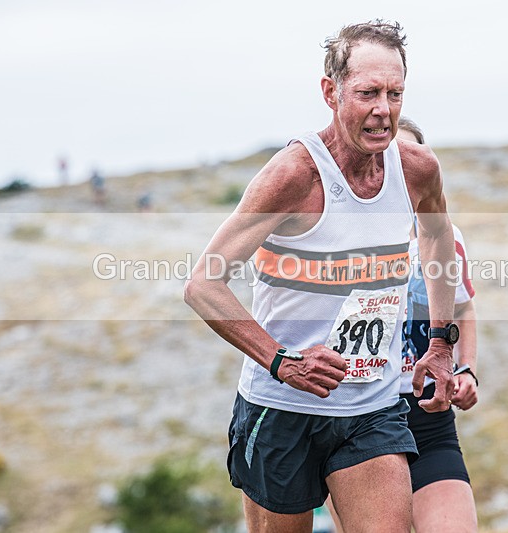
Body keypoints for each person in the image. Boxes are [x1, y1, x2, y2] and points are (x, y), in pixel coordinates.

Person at [184, 20, 458, 533]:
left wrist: (441, 343)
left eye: (395, 93)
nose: (383, 109)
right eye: (367, 93)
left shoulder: (417, 168)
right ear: (331, 92)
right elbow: (203, 284)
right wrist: (282, 360)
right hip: (282, 405)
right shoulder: (294, 176)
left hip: (371, 406)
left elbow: (439, 239)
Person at [325, 117, 479, 533]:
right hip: (357, 419)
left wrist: (466, 369)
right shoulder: (336, 235)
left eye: (409, 157)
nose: (397, 167)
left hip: (427, 417)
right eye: (387, 157)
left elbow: (462, 309)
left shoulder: (448, 236)